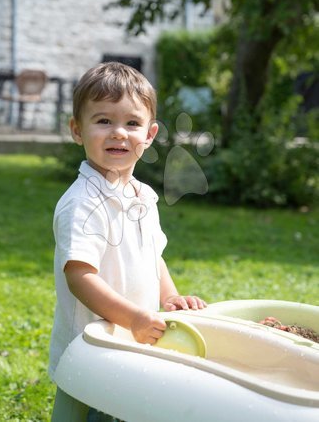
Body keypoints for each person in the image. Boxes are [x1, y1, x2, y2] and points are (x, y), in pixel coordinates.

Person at [49, 62, 206, 422]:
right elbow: (80, 276)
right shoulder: (82, 203)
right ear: (77, 130)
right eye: (103, 121)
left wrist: (169, 297)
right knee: (85, 412)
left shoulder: (143, 196)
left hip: (131, 341)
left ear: (149, 135)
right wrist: (133, 317)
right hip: (91, 346)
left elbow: (155, 257)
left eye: (131, 123)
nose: (119, 133)